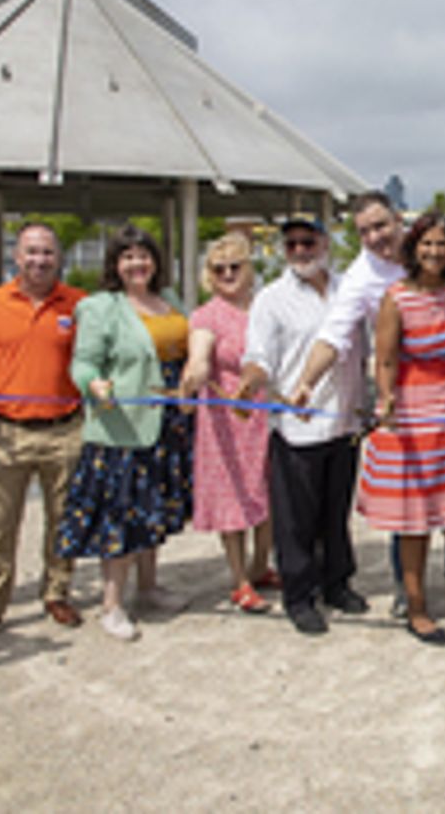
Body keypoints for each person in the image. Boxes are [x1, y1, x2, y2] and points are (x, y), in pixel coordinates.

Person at [355, 210, 445, 645]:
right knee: (413, 515)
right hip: (412, 412)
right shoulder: (396, 297)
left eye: (443, 243)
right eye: (427, 243)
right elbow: (385, 359)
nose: (435, 252)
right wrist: (387, 400)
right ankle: (416, 606)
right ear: (413, 247)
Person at [55, 224, 192, 642]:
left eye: (143, 255)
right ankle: (111, 604)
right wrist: (92, 384)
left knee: (153, 509)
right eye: (128, 256)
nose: (137, 263)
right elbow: (83, 363)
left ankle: (148, 587)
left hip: (167, 423)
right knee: (121, 516)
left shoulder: (169, 299)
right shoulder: (100, 307)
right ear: (115, 264)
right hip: (121, 428)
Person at [0, 223, 88, 649]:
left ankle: (56, 593)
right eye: (31, 251)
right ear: (17, 256)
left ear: (58, 257)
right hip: (6, 433)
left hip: (64, 430)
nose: (39, 260)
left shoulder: (78, 304)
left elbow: (93, 357)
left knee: (62, 521)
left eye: (47, 252)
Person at [237, 215, 367, 635]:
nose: (298, 250)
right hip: (297, 425)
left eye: (307, 241)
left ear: (324, 243)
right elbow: (258, 356)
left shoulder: (349, 289)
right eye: (290, 243)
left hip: (345, 420)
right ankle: (299, 595)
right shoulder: (271, 299)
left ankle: (336, 583)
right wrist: (251, 381)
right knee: (296, 520)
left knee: (336, 512)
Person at [289, 192, 407, 618]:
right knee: (407, 493)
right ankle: (407, 586)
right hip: (402, 389)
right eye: (364, 232)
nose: (375, 237)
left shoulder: (430, 248)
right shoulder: (360, 277)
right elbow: (333, 336)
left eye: (381, 226)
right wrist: (306, 382)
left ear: (398, 220)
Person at [180, 232, 274, 614]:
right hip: (225, 422)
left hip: (266, 415)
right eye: (219, 269)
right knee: (232, 499)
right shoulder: (206, 315)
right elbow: (200, 358)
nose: (228, 274)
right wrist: (193, 377)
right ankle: (239, 580)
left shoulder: (266, 307)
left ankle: (260, 566)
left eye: (235, 266)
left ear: (248, 269)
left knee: (268, 495)